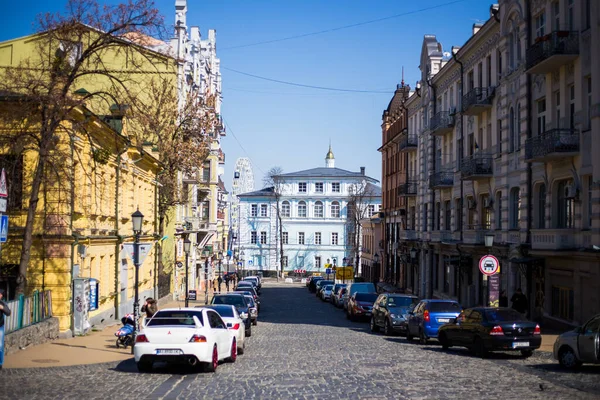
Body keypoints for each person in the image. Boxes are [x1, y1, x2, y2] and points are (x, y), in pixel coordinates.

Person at [0, 289, 12, 370]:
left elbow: (8, 313)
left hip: (0, 326)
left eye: (1, 294)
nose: (0, 295)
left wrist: (2, 308)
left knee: (0, 346)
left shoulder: (3, 303)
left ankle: (0, 363)